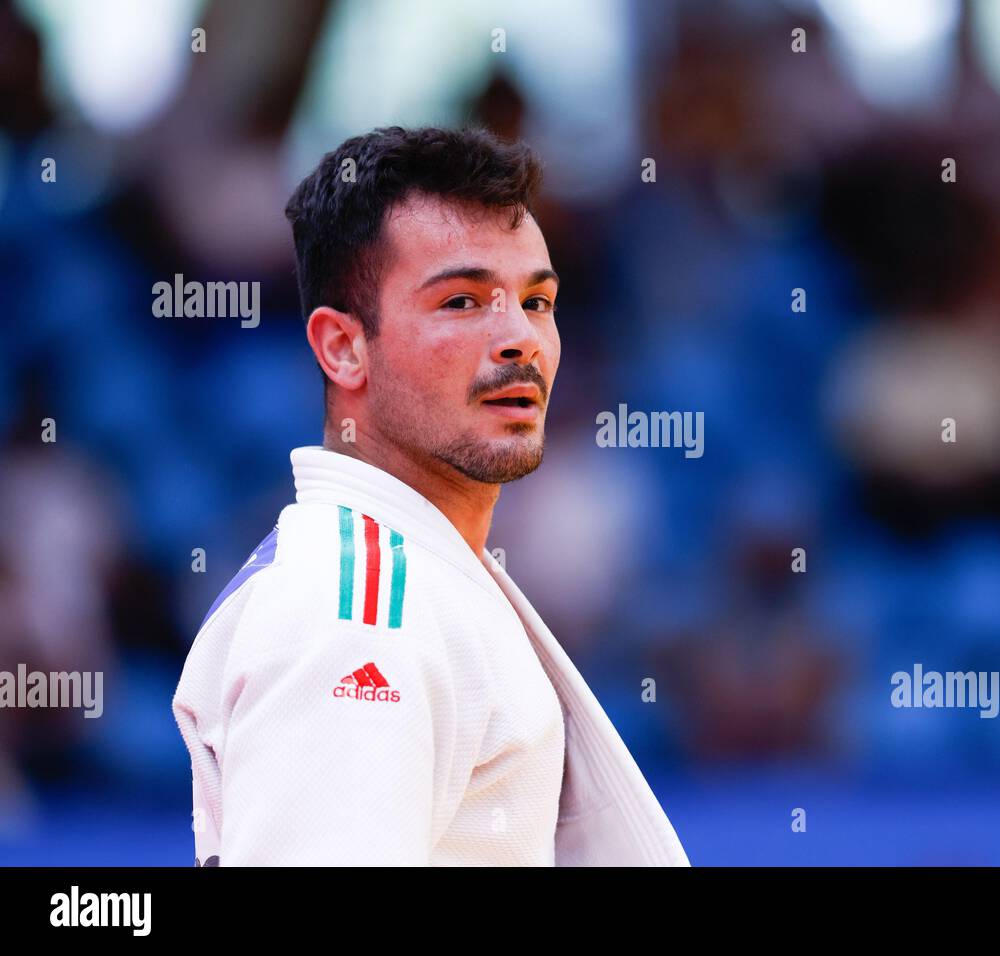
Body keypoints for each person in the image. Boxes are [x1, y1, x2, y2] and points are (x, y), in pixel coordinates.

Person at [172, 126, 689, 866]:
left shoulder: (406, 578)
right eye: (462, 300)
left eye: (537, 301)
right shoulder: (358, 614)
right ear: (343, 347)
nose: (521, 339)